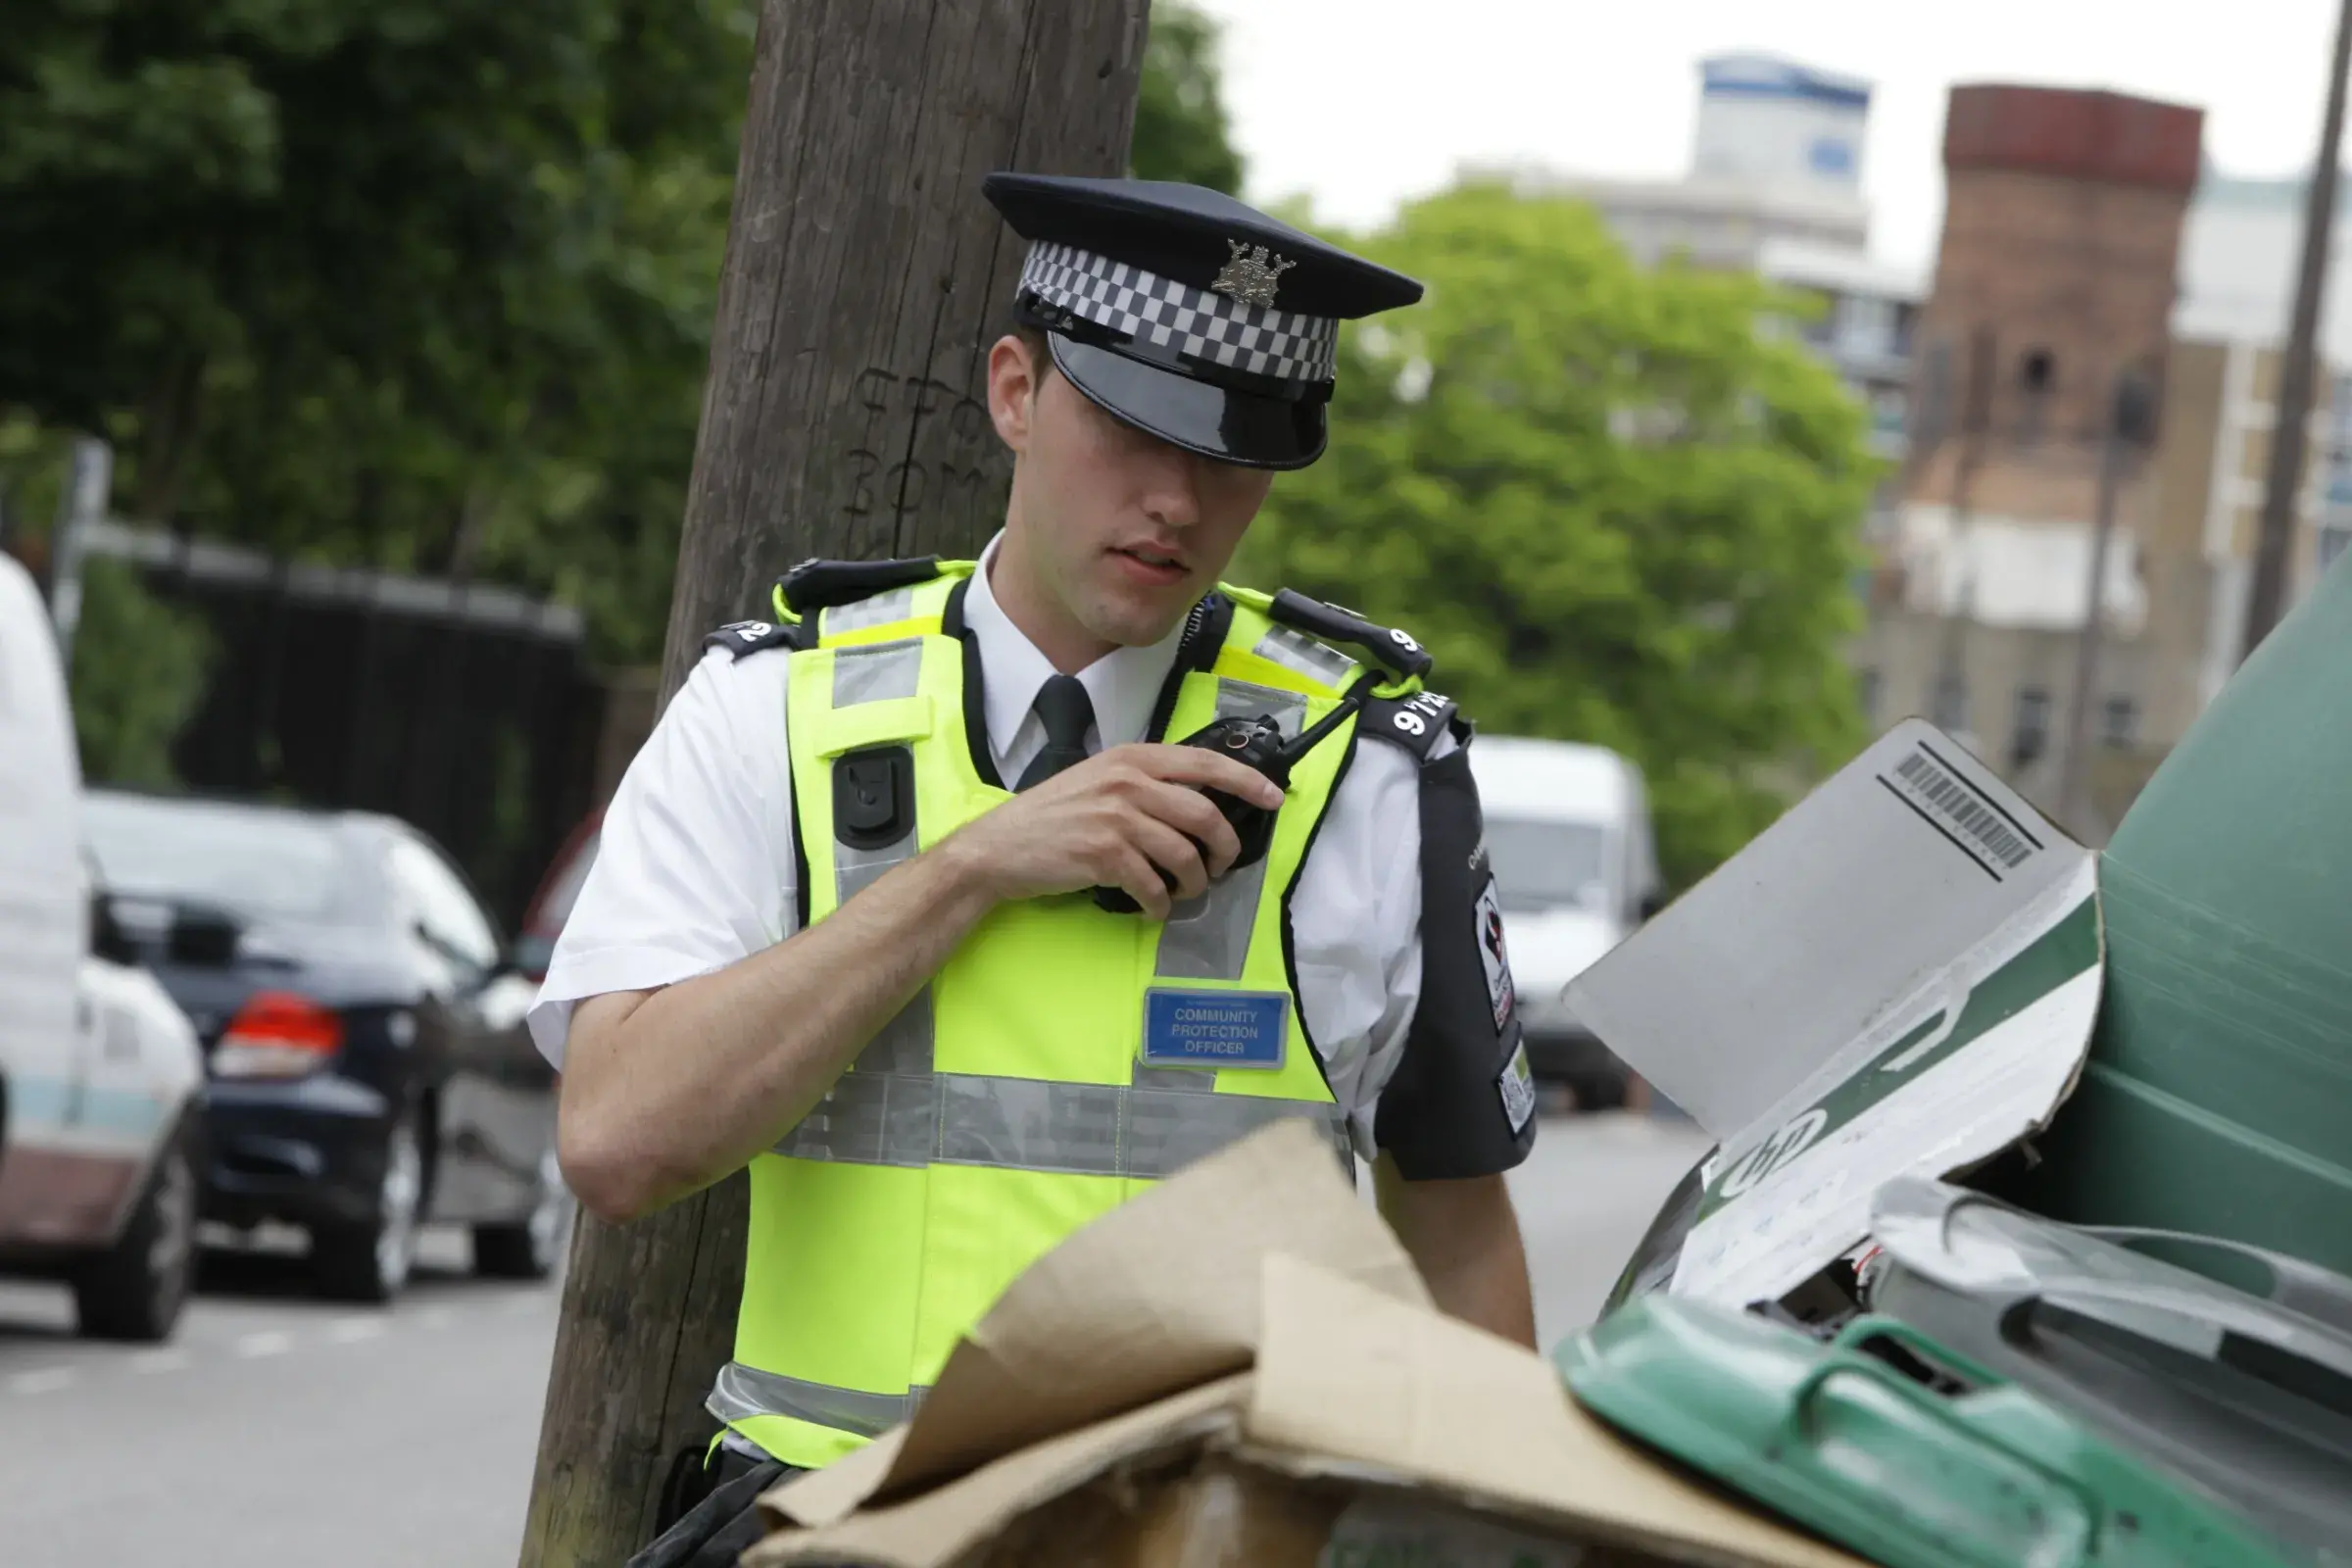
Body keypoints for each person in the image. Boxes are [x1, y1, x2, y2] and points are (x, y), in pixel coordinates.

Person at [528, 172, 1542, 1568]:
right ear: (1016, 390)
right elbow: (620, 1141)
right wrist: (972, 870)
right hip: (827, 1534)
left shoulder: (1364, 770)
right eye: (1132, 429)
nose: (1178, 500)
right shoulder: (775, 710)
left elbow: (1462, 1240)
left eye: (1236, 453)